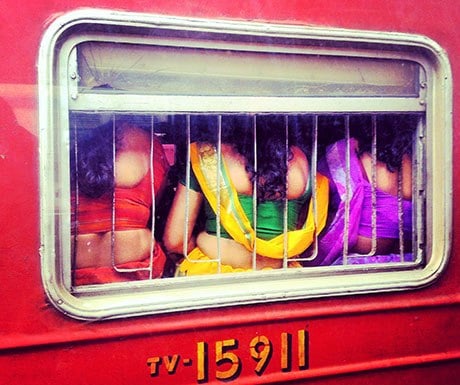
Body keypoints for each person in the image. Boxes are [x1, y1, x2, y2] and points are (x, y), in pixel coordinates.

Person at [163, 115, 329, 275]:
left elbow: (175, 240)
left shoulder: (207, 156)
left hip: (214, 274)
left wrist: (202, 240)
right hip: (280, 279)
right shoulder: (303, 161)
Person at [71, 118, 170, 285]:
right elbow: (157, 208)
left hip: (72, 270)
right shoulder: (150, 144)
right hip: (136, 268)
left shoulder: (73, 138)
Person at [311, 115, 414, 266]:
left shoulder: (345, 151)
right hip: (406, 246)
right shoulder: (408, 157)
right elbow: (411, 196)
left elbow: (324, 193)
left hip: (363, 244)